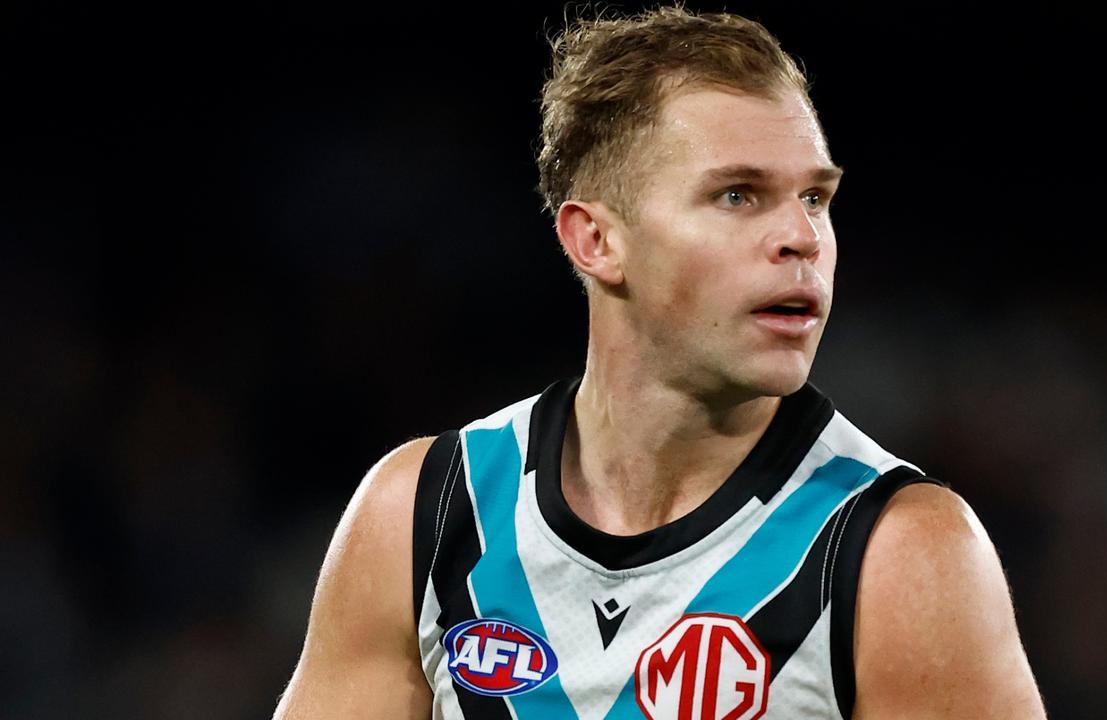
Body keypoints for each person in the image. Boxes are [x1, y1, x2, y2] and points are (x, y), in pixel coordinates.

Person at [273, 7, 1046, 719]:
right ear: (596, 241)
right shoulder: (427, 515)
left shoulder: (901, 555)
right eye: (739, 195)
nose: (803, 238)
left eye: (814, 197)